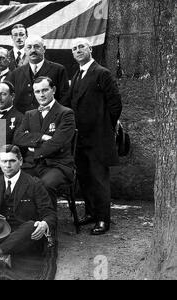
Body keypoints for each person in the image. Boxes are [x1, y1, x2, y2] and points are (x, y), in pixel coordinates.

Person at [62, 38, 122, 235]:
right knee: (85, 178)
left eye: (81, 47)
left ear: (90, 49)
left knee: (99, 180)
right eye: (74, 48)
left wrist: (105, 128)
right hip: (80, 140)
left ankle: (103, 220)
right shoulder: (77, 75)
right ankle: (91, 213)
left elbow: (115, 105)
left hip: (98, 139)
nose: (78, 50)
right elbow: (70, 102)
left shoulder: (102, 73)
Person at [13, 76, 75, 208]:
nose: (41, 95)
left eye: (45, 90)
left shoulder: (66, 113)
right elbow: (18, 137)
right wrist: (40, 137)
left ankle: (48, 224)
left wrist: (34, 149)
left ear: (53, 90)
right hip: (33, 165)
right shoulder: (30, 114)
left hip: (57, 165)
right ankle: (24, 221)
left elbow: (57, 143)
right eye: (37, 91)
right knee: (14, 180)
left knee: (45, 185)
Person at [6, 35, 69, 113]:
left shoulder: (58, 70)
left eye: (36, 47)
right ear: (25, 50)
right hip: (23, 121)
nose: (33, 50)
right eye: (29, 47)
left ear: (44, 49)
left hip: (49, 120)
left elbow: (64, 98)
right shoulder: (16, 73)